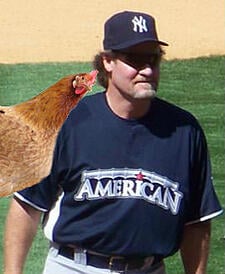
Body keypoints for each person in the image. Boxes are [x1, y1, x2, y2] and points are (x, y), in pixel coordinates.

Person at [3, 10, 223, 274]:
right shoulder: (67, 124)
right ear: (108, 62)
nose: (148, 69)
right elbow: (28, 205)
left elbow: (196, 222)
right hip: (75, 267)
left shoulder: (185, 131)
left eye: (154, 59)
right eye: (136, 60)